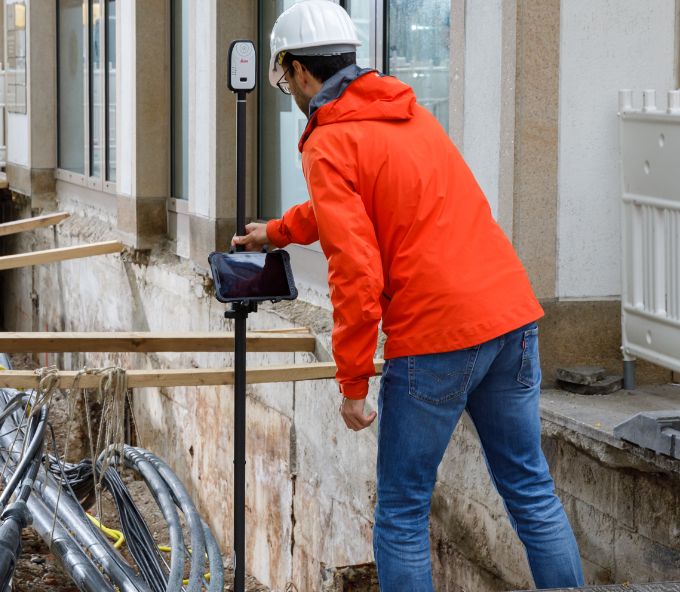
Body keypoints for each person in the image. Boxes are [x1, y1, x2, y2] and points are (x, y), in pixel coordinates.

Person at [233, 2, 585, 590]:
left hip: (436, 338)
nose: (287, 89)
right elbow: (365, 204)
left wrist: (351, 384)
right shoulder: (407, 113)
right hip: (510, 317)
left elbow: (355, 271)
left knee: (401, 514)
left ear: (297, 70)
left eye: (282, 76)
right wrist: (279, 232)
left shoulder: (328, 142)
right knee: (530, 490)